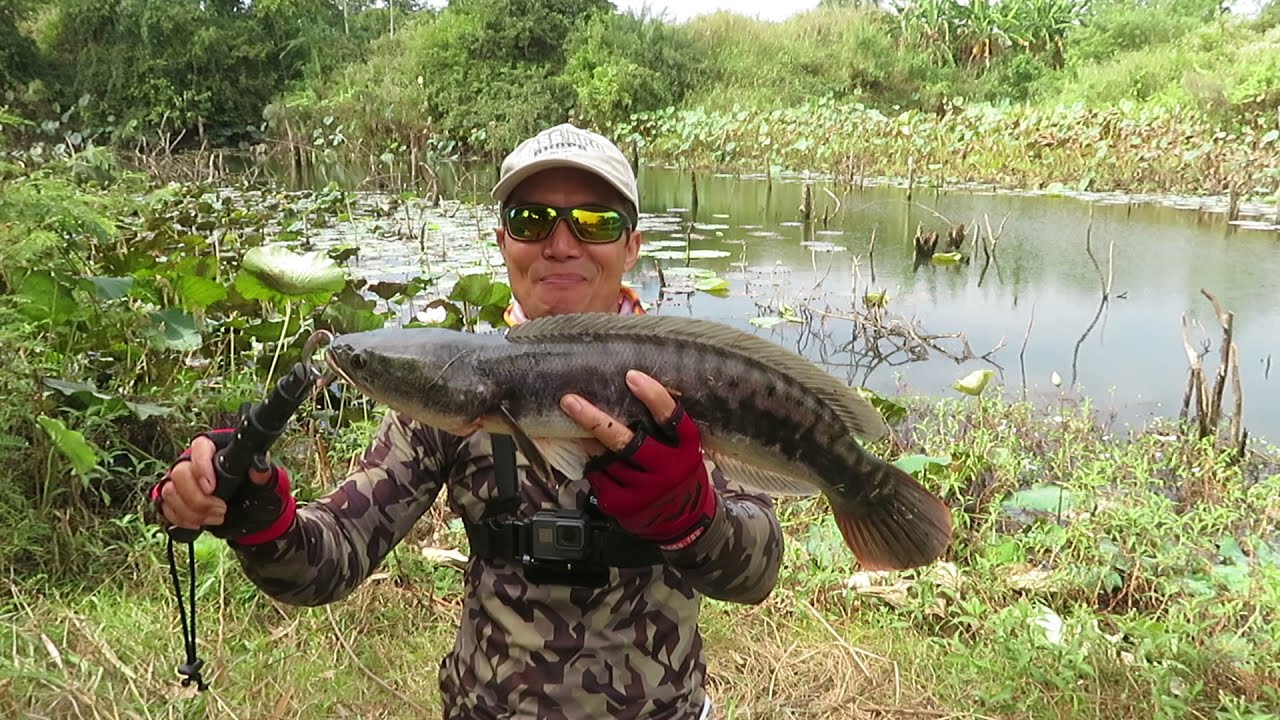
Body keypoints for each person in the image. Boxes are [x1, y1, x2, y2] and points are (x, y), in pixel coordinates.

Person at [152, 123, 785, 720]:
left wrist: (691, 518)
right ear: (504, 240)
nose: (561, 243)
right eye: (532, 220)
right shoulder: (450, 392)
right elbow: (328, 561)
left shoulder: (686, 386)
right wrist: (259, 516)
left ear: (632, 245)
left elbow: (757, 571)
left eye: (594, 220)